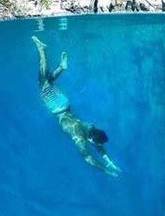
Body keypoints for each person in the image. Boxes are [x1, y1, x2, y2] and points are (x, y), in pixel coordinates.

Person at [32, 36, 121, 177]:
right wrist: (105, 170)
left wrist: (109, 162)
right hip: (57, 107)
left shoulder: (91, 127)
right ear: (91, 140)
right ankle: (42, 50)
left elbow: (99, 145)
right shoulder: (79, 137)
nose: (97, 145)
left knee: (47, 81)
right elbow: (88, 158)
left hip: (65, 105)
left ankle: (61, 67)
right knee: (42, 82)